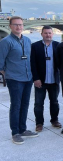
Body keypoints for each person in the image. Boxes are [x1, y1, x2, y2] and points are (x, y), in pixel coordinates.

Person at [0, 16, 38, 144]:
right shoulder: (6, 41)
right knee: (16, 105)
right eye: (15, 25)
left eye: (20, 25)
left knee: (25, 104)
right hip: (14, 79)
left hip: (28, 77)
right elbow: (0, 62)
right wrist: (7, 72)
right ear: (10, 26)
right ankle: (15, 132)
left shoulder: (27, 40)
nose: (18, 27)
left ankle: (23, 129)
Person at [30, 26, 61, 132]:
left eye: (50, 33)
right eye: (46, 33)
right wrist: (36, 78)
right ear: (42, 34)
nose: (48, 35)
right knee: (38, 103)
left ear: (53, 34)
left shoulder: (58, 45)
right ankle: (39, 123)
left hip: (54, 80)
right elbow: (32, 64)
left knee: (54, 102)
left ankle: (54, 120)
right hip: (40, 81)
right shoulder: (35, 46)